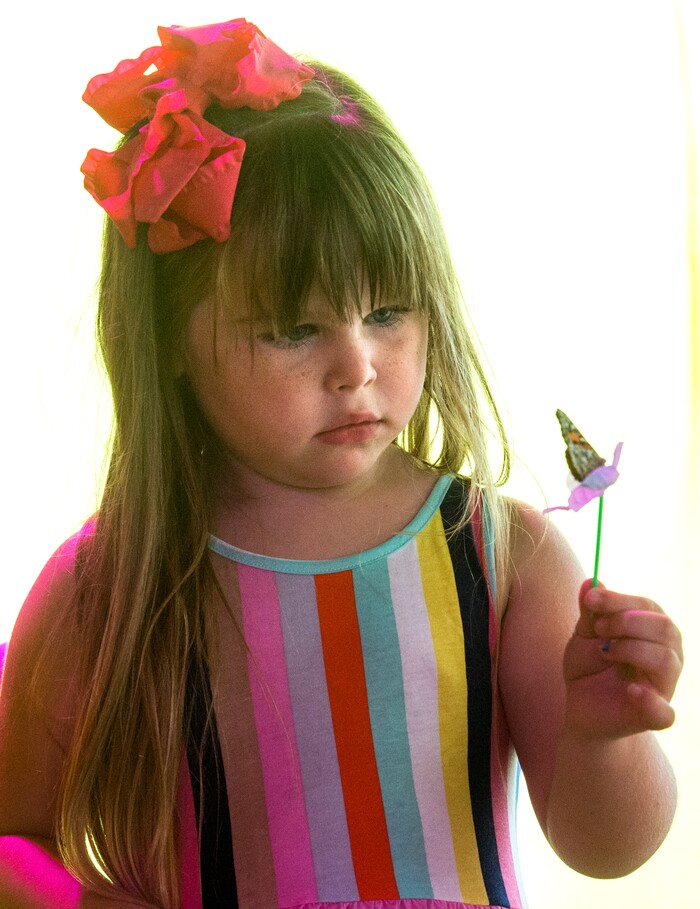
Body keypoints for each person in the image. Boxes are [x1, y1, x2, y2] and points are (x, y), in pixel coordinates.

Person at [0, 16, 683, 909]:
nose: (358, 365)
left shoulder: (499, 556)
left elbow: (605, 849)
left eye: (390, 312)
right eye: (294, 327)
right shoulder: (112, 587)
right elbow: (13, 839)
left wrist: (606, 738)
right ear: (169, 336)